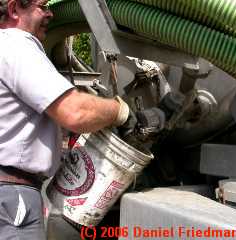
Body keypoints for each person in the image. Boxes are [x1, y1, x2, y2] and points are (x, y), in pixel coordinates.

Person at [0, 0, 139, 239]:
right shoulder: (16, 46)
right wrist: (120, 111)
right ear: (14, 10)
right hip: (12, 196)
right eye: (42, 6)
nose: (50, 13)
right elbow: (74, 112)